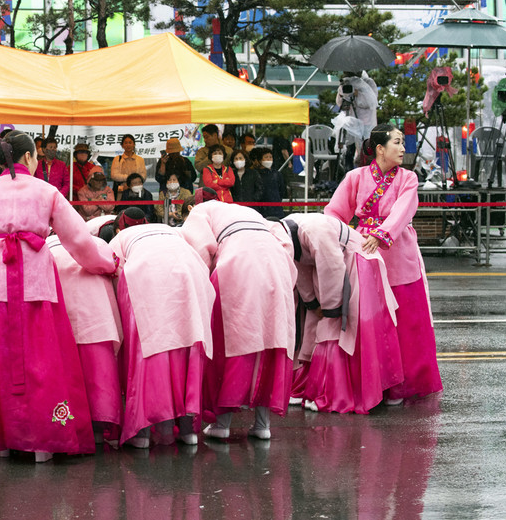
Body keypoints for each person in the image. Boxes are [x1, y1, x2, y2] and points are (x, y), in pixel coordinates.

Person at [0, 131, 117, 462]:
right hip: (35, 278)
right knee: (40, 358)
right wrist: (107, 264)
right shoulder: (46, 190)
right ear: (27, 158)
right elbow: (77, 239)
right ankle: (41, 441)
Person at [324, 124, 442, 403]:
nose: (403, 149)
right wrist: (334, 239)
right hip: (364, 250)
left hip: (398, 251)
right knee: (367, 321)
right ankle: (373, 381)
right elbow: (334, 212)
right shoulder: (355, 177)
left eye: (403, 143)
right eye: (397, 143)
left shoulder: (408, 178)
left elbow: (403, 211)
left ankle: (401, 383)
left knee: (406, 322)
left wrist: (381, 233)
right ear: (380, 149)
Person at [181, 198, 296, 440]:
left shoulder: (200, 211)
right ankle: (262, 425)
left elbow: (200, 248)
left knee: (232, 343)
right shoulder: (248, 211)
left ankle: (222, 424)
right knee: (271, 342)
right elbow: (285, 242)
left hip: (237, 261)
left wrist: (204, 283)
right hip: (276, 264)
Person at [107, 209, 215, 448]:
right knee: (189, 344)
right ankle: (188, 430)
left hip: (145, 274)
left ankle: (143, 433)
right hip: (191, 271)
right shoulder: (172, 230)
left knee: (147, 349)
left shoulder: (119, 238)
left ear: (118, 227)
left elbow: (112, 273)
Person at [277, 213, 404, 414]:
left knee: (344, 326)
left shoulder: (312, 230)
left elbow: (332, 267)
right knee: (317, 322)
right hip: (334, 263)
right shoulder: (289, 234)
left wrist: (330, 309)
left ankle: (341, 391)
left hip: (357, 260)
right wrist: (312, 304)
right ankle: (315, 387)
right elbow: (300, 269)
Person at [46, 221, 123, 446]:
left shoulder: (44, 246)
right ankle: (98, 429)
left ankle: (63, 426)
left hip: (58, 312)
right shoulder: (98, 244)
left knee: (62, 371)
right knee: (98, 372)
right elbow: (116, 272)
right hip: (96, 313)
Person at [109, 135, 146, 200]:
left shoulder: (140, 160)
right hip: (121, 191)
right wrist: (130, 179)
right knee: (121, 208)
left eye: (130, 142)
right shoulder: (117, 159)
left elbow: (143, 176)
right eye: (125, 143)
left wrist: (132, 183)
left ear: (134, 144)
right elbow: (114, 175)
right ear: (122, 145)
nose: (128, 145)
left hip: (136, 189)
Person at [255, 147, 288, 219]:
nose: (269, 159)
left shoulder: (277, 174)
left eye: (270, 157)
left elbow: (282, 191)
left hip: (276, 209)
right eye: (266, 157)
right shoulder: (256, 174)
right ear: (260, 160)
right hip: (261, 209)